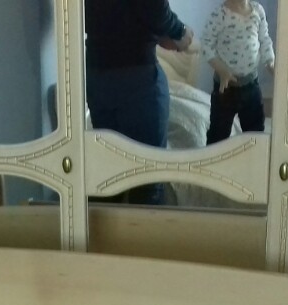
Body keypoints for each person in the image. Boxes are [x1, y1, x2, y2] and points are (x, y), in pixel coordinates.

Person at [85, 0, 193, 204]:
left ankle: (105, 224)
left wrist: (157, 32)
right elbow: (154, 8)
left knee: (108, 174)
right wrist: (180, 31)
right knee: (147, 179)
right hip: (137, 73)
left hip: (97, 72)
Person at [203, 0, 274, 145]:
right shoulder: (220, 14)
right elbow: (206, 45)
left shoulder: (258, 11)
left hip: (251, 85)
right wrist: (221, 69)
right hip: (225, 88)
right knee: (218, 134)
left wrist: (270, 62)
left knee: (255, 132)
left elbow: (264, 39)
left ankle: (252, 158)